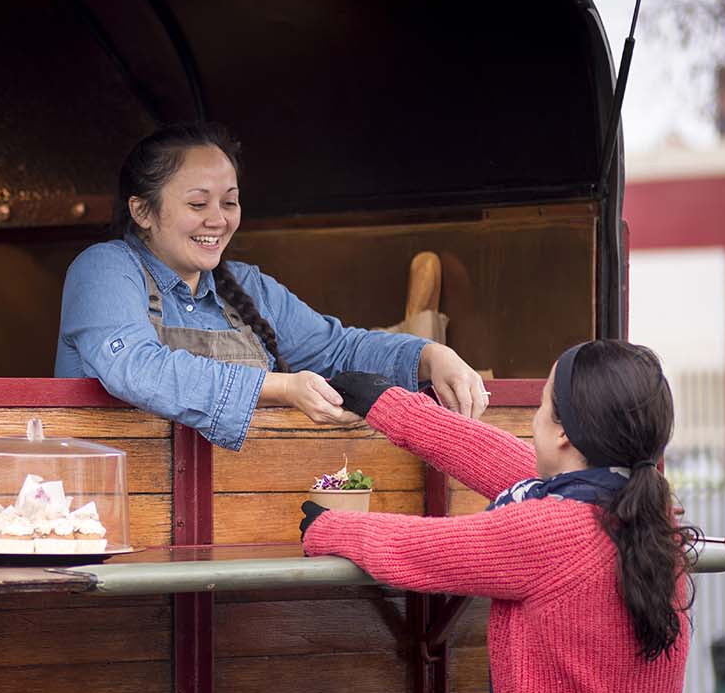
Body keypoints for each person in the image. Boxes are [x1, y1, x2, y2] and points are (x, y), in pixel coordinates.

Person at [301, 340, 700, 693]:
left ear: (564, 437)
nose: (534, 421)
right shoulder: (651, 518)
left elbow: (424, 549)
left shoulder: (553, 533)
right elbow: (506, 463)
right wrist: (388, 404)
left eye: (543, 406)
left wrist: (329, 527)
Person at [54, 122, 486, 450]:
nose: (218, 220)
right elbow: (138, 370)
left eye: (229, 202)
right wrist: (279, 387)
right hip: (104, 513)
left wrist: (429, 356)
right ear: (142, 211)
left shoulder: (249, 287)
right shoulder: (105, 269)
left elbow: (338, 351)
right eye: (197, 203)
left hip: (237, 514)